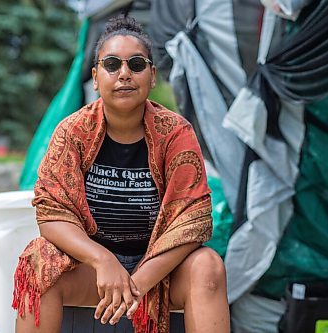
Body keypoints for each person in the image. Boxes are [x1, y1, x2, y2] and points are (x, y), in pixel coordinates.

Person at [12, 15, 230, 333]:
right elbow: (51, 213)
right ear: (96, 77)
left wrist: (139, 281)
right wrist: (103, 260)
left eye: (137, 64)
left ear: (152, 76)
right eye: (112, 64)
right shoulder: (72, 132)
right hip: (92, 270)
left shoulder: (176, 133)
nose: (124, 74)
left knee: (208, 265)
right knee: (38, 258)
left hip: (159, 272)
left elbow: (192, 220)